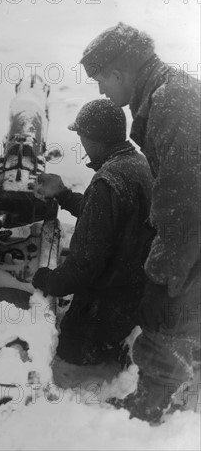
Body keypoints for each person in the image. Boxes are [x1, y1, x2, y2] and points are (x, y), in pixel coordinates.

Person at [79, 22, 200, 424]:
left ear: (120, 72)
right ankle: (176, 396)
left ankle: (154, 410)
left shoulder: (171, 101)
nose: (101, 92)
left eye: (100, 80)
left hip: (193, 228)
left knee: (168, 311)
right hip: (191, 226)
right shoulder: (163, 94)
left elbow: (184, 200)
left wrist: (165, 270)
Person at [32, 99, 153, 367]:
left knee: (69, 352)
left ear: (94, 138)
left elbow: (85, 262)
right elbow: (107, 220)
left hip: (110, 300)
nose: (82, 144)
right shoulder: (137, 163)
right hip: (137, 289)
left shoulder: (107, 182)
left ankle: (114, 348)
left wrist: (50, 280)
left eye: (82, 136)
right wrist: (63, 194)